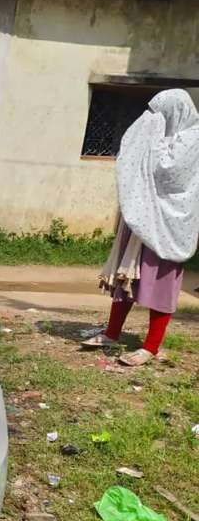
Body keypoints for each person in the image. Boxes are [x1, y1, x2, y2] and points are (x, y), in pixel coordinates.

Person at [82, 89, 199, 365]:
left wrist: (153, 139)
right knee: (127, 276)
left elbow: (169, 173)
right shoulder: (161, 135)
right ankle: (112, 333)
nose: (152, 120)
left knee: (161, 283)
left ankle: (151, 346)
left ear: (174, 113)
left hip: (169, 224)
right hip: (141, 217)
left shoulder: (193, 138)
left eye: (159, 115)